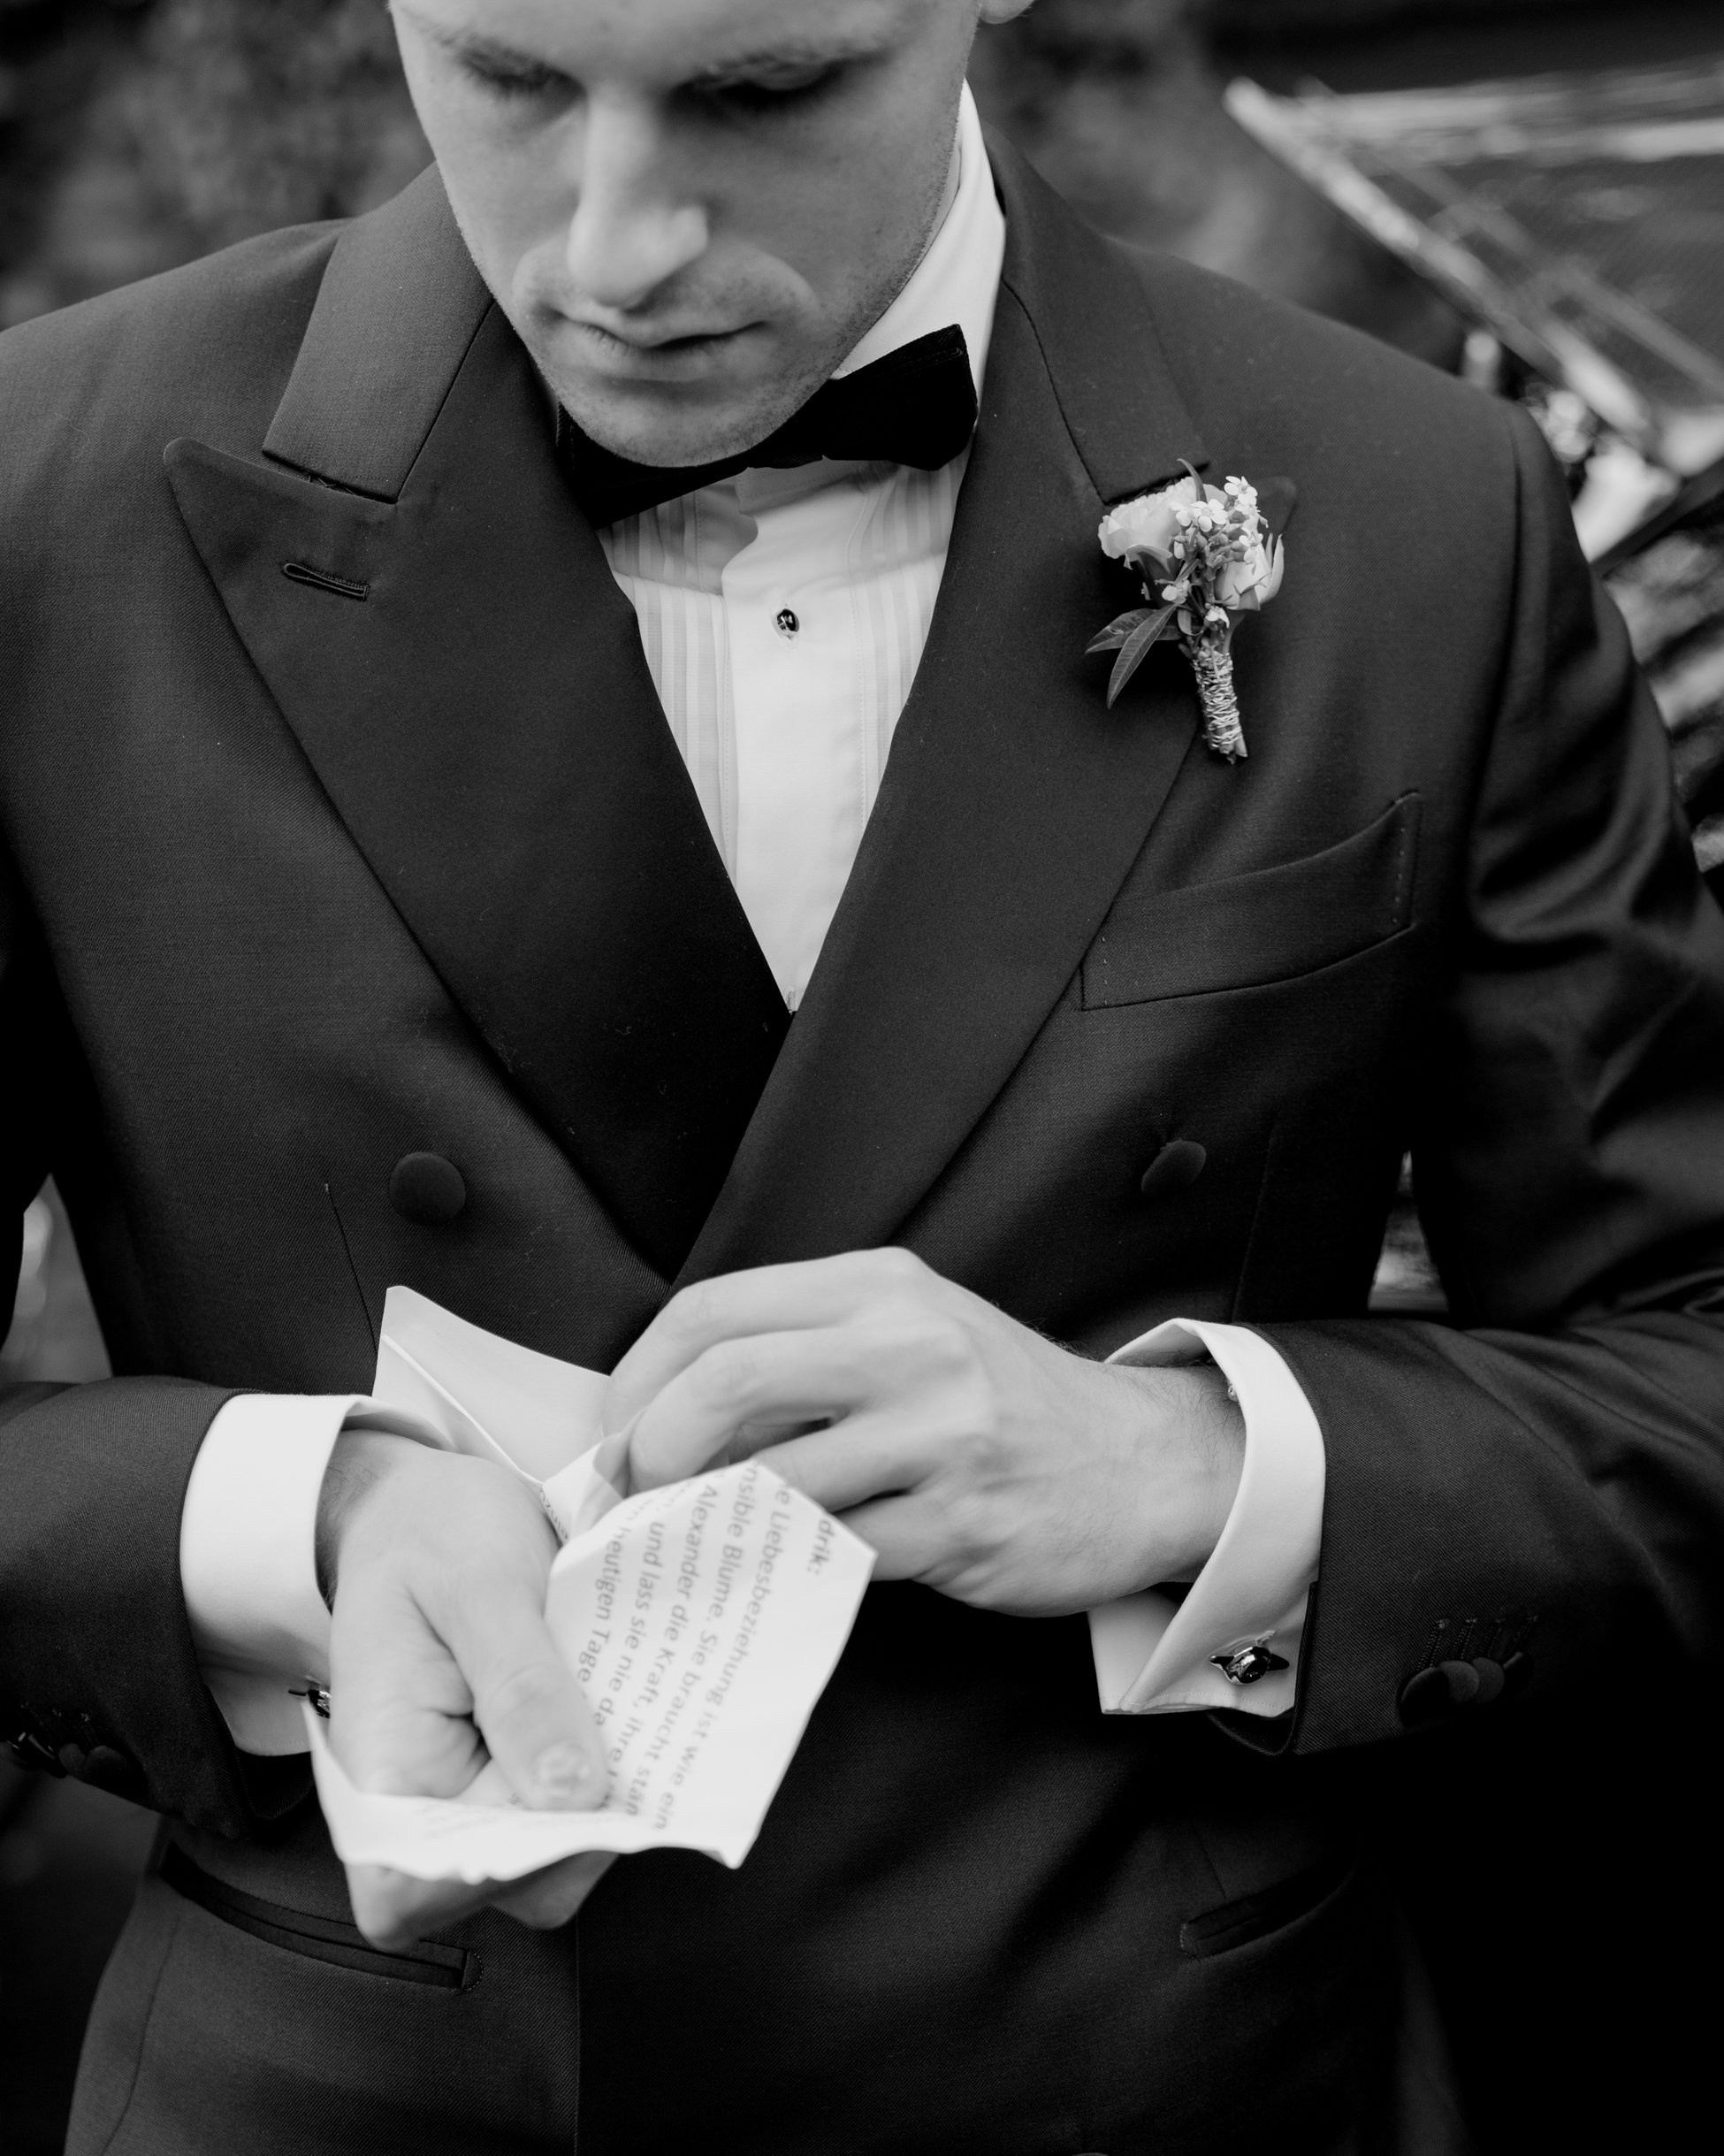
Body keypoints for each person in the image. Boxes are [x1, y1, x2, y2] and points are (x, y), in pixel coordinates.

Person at [3, 1, 1722, 2149]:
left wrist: (1188, 1466)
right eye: (512, 80)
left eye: (763, 91)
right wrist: (285, 1520)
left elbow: (1689, 1358)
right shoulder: (44, 496)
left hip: (1170, 2077)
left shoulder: (1417, 511)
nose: (617, 248)